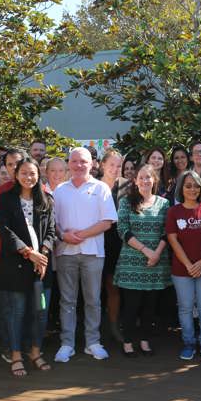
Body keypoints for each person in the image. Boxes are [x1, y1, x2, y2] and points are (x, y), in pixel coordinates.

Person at [52, 147, 117, 362]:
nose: (79, 165)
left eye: (84, 161)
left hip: (93, 252)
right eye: (75, 161)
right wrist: (63, 236)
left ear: (92, 164)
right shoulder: (59, 190)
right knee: (67, 300)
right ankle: (67, 343)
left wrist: (79, 235)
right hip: (65, 252)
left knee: (93, 300)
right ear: (69, 164)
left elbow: (107, 221)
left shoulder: (101, 188)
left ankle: (93, 342)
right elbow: (54, 224)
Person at [0, 157, 56, 376]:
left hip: (41, 267)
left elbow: (51, 231)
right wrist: (29, 253)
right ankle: (16, 355)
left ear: (38, 175)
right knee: (16, 313)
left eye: (32, 173)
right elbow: (5, 231)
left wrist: (43, 255)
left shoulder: (47, 200)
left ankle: (35, 352)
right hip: (15, 266)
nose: (28, 177)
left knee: (40, 313)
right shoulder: (5, 199)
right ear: (16, 175)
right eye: (24, 173)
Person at [115, 164, 171, 357]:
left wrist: (156, 254)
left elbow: (168, 231)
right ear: (135, 180)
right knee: (131, 306)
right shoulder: (126, 202)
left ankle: (145, 340)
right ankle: (128, 341)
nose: (145, 181)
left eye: (149, 177)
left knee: (150, 307)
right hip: (132, 263)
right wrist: (147, 251)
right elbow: (122, 229)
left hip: (156, 263)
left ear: (154, 180)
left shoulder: (164, 204)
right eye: (141, 177)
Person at [165, 170, 201, 360]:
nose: (192, 189)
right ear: (181, 188)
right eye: (188, 185)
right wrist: (189, 265)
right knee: (186, 307)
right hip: (182, 270)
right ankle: (188, 343)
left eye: (196, 185)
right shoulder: (174, 211)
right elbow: (172, 240)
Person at [100, 149, 131, 343]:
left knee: (114, 288)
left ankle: (113, 326)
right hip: (95, 241)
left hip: (120, 243)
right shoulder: (93, 185)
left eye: (118, 165)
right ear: (103, 165)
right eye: (111, 164)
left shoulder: (128, 186)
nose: (115, 168)